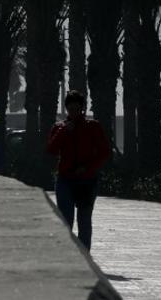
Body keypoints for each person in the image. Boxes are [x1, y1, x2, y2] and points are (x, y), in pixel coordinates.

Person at [47, 90, 110, 250]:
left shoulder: (92, 127)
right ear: (66, 108)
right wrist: (64, 132)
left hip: (87, 180)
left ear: (82, 108)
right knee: (66, 221)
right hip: (65, 179)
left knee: (84, 221)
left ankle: (84, 256)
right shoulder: (59, 127)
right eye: (70, 109)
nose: (73, 112)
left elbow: (104, 152)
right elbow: (52, 149)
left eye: (76, 108)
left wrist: (88, 168)